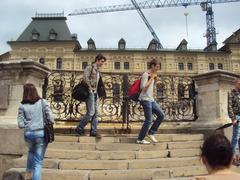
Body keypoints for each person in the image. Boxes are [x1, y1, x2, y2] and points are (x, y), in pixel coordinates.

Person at [17, 83, 54, 180]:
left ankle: (28, 174)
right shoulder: (43, 102)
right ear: (35, 91)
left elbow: (20, 124)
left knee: (31, 152)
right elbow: (51, 118)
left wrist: (28, 123)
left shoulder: (22, 106)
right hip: (41, 133)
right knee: (38, 162)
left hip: (29, 134)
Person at [75, 53, 106, 138]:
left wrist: (101, 93)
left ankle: (94, 131)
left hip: (95, 93)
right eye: (102, 61)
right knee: (91, 113)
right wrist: (90, 90)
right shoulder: (89, 67)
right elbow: (85, 78)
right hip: (90, 93)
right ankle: (79, 128)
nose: (103, 63)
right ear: (97, 60)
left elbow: (99, 84)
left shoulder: (98, 70)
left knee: (96, 114)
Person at [136, 59, 165, 144]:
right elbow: (142, 88)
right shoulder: (146, 74)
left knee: (161, 115)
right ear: (152, 66)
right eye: (157, 66)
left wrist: (153, 79)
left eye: (159, 66)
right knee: (149, 120)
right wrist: (151, 78)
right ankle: (140, 139)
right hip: (145, 99)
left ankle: (151, 132)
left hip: (151, 100)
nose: (158, 68)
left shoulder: (153, 75)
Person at [228, 79, 240, 165]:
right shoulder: (231, 93)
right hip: (237, 116)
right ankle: (231, 157)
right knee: (236, 137)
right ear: (235, 84)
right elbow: (229, 107)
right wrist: (233, 118)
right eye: (239, 83)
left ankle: (238, 158)